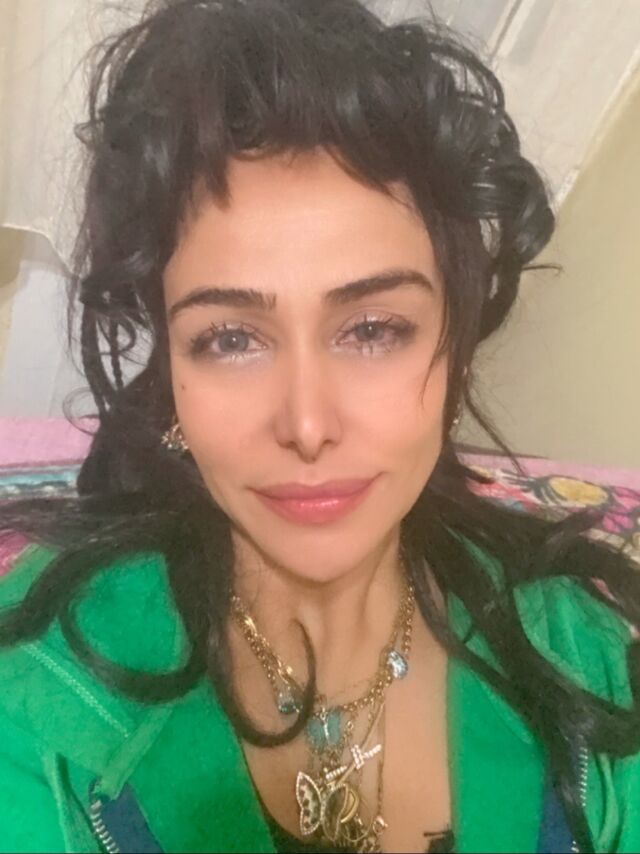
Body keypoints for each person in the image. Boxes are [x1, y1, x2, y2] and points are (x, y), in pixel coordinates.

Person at [0, 0, 639, 852]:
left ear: (454, 350)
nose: (306, 424)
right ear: (172, 379)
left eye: (372, 329)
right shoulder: (40, 691)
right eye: (230, 339)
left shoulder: (582, 657)